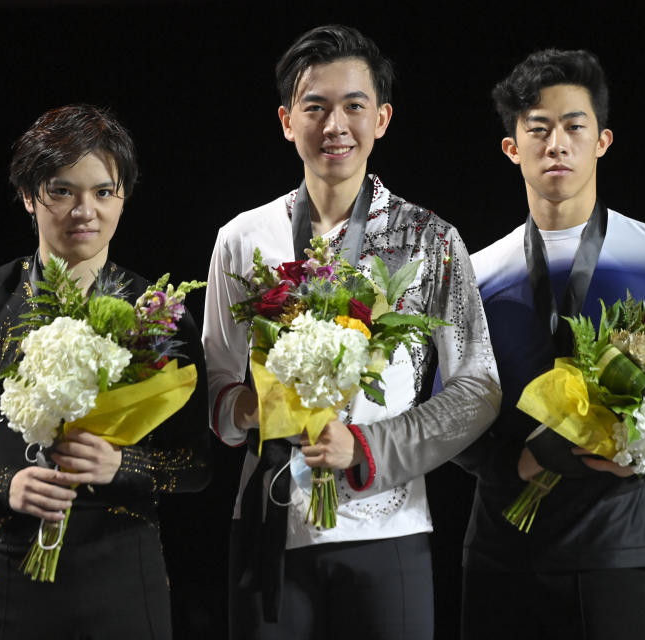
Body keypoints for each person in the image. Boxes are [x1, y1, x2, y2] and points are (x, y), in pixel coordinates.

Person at [202, 24, 501, 640]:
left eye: (353, 106)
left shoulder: (429, 240)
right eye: (315, 107)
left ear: (382, 118)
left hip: (387, 533)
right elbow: (219, 389)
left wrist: (366, 450)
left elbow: (479, 389)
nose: (334, 124)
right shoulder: (242, 238)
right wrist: (255, 408)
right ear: (288, 121)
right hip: (268, 527)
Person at [455, 49, 645, 639]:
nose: (556, 144)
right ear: (513, 148)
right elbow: (449, 407)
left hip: (613, 550)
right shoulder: (476, 270)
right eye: (537, 129)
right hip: (497, 555)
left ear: (603, 141)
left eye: (574, 126)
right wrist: (510, 462)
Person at [0, 104, 210, 639]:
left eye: (103, 192)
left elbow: (197, 465)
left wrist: (123, 465)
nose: (84, 211)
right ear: (28, 196)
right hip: (10, 575)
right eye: (61, 191)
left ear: (123, 197)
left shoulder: (157, 313)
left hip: (124, 576)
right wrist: (4, 484)